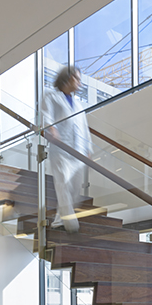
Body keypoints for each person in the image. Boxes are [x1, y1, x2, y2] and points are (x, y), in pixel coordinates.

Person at [42, 66, 92, 233]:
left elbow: (84, 128)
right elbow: (46, 116)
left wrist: (88, 148)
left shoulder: (79, 104)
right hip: (61, 149)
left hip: (78, 151)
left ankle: (58, 221)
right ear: (68, 78)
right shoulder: (51, 96)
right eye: (77, 79)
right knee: (63, 184)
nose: (79, 83)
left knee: (74, 189)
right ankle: (71, 226)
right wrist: (52, 129)